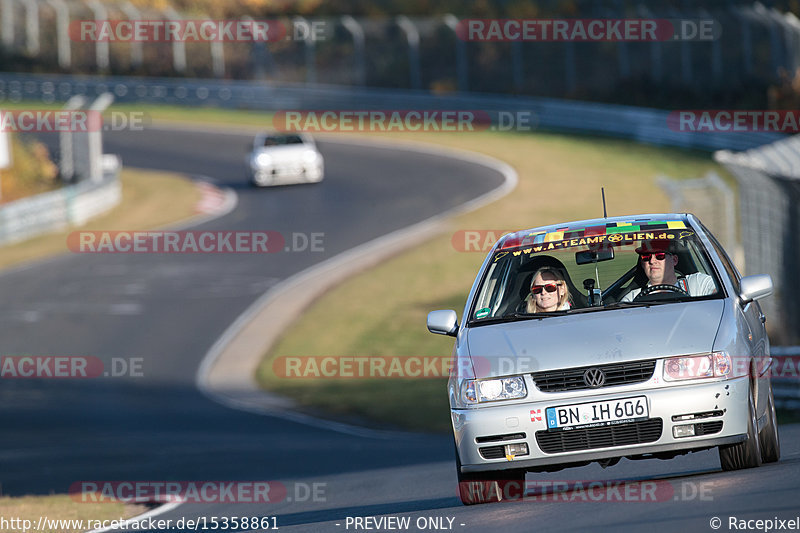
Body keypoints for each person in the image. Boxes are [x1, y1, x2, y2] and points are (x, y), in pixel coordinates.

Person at [621, 239, 717, 302]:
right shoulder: (632, 298)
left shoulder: (697, 283)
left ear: (674, 260)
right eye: (646, 257)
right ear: (642, 264)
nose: (652, 261)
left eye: (660, 256)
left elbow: (720, 297)